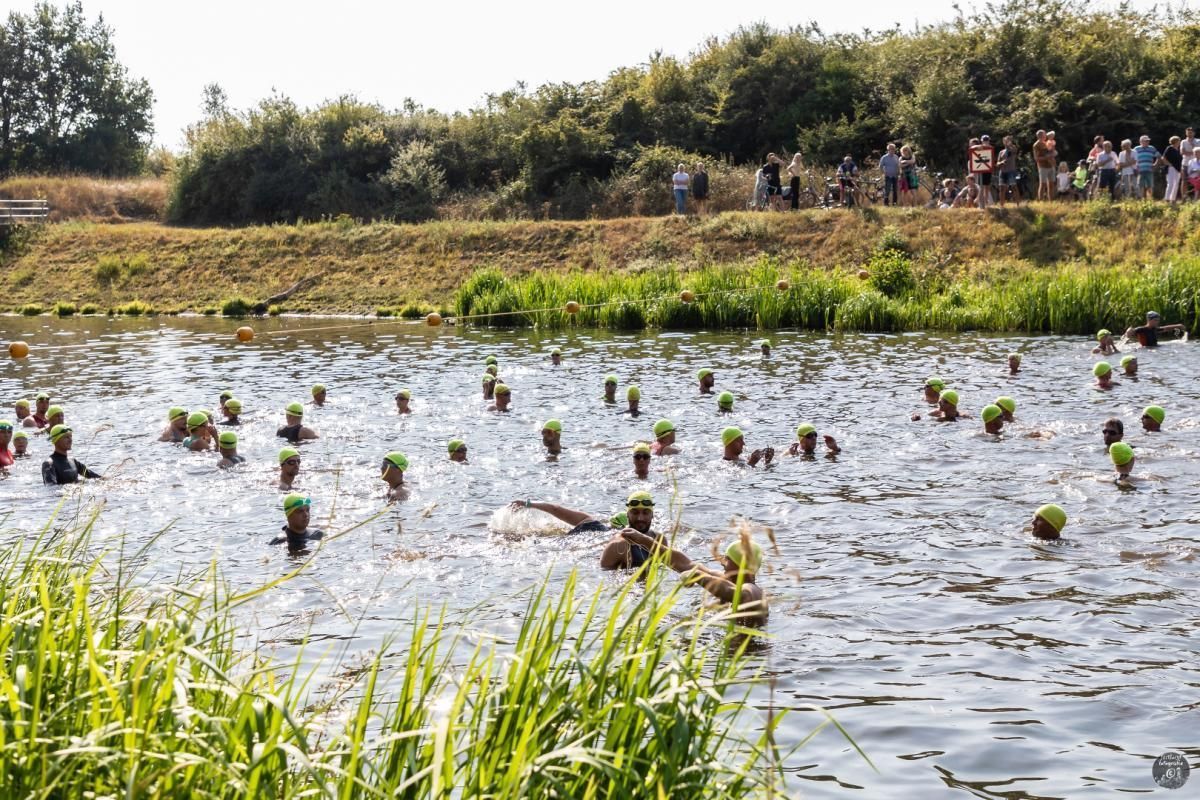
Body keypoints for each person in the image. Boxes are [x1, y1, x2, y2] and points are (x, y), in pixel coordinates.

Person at [619, 530, 768, 622]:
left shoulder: (754, 591)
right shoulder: (725, 579)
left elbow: (736, 595)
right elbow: (685, 564)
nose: (722, 562)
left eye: (727, 558)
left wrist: (698, 576)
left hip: (748, 659)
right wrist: (645, 541)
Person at [507, 490, 665, 570]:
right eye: (635, 512)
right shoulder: (617, 544)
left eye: (645, 513)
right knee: (539, 542)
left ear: (652, 515)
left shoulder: (591, 521)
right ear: (628, 515)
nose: (640, 518)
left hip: (578, 537)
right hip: (570, 543)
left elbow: (556, 509)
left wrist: (527, 503)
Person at [968, 135, 995, 208]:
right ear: (982, 140)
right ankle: (981, 203)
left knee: (987, 187)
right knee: (980, 187)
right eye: (984, 140)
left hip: (987, 170)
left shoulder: (990, 148)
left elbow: (990, 154)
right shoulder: (979, 147)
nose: (985, 141)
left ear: (989, 140)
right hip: (980, 170)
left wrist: (984, 147)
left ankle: (986, 202)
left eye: (987, 140)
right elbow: (972, 148)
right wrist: (978, 147)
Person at [1032, 129, 1056, 201]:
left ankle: (1051, 201)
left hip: (1050, 165)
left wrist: (1053, 153)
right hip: (1042, 166)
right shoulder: (1036, 145)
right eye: (1044, 134)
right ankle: (1041, 201)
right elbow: (1036, 158)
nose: (1046, 135)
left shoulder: (1046, 143)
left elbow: (1051, 152)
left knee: (1051, 184)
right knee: (1043, 184)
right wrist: (1046, 157)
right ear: (1040, 136)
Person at [1159, 136, 1183, 203]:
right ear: (1174, 141)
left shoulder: (1178, 150)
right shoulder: (1169, 148)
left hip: (1178, 169)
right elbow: (1163, 158)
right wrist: (1169, 164)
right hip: (1171, 168)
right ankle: (1167, 198)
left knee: (1176, 184)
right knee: (1171, 183)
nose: (1179, 142)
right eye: (1178, 141)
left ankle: (1173, 199)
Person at [997, 136, 1020, 205]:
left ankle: (1018, 204)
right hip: (1002, 171)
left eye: (1008, 140)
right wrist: (1001, 163)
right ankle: (1002, 205)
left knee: (1014, 187)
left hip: (1011, 171)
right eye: (1005, 141)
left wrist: (1010, 145)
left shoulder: (1013, 148)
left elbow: (1014, 150)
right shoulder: (1001, 152)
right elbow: (997, 163)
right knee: (1002, 188)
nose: (1007, 142)